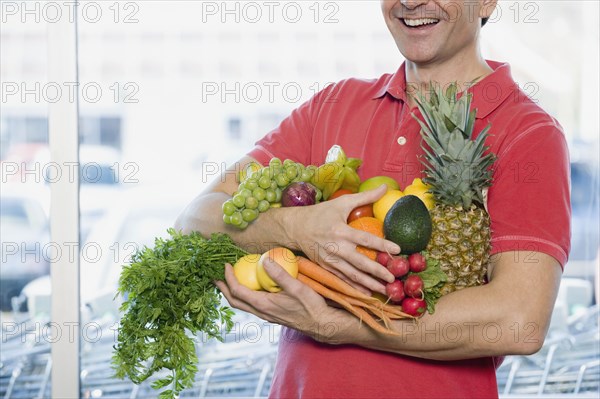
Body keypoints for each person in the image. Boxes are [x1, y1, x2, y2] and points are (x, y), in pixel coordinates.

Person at [175, 0, 571, 397]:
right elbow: (194, 221)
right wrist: (292, 228)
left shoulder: (528, 133)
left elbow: (520, 319)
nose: (412, 2)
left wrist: (343, 327)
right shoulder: (333, 106)